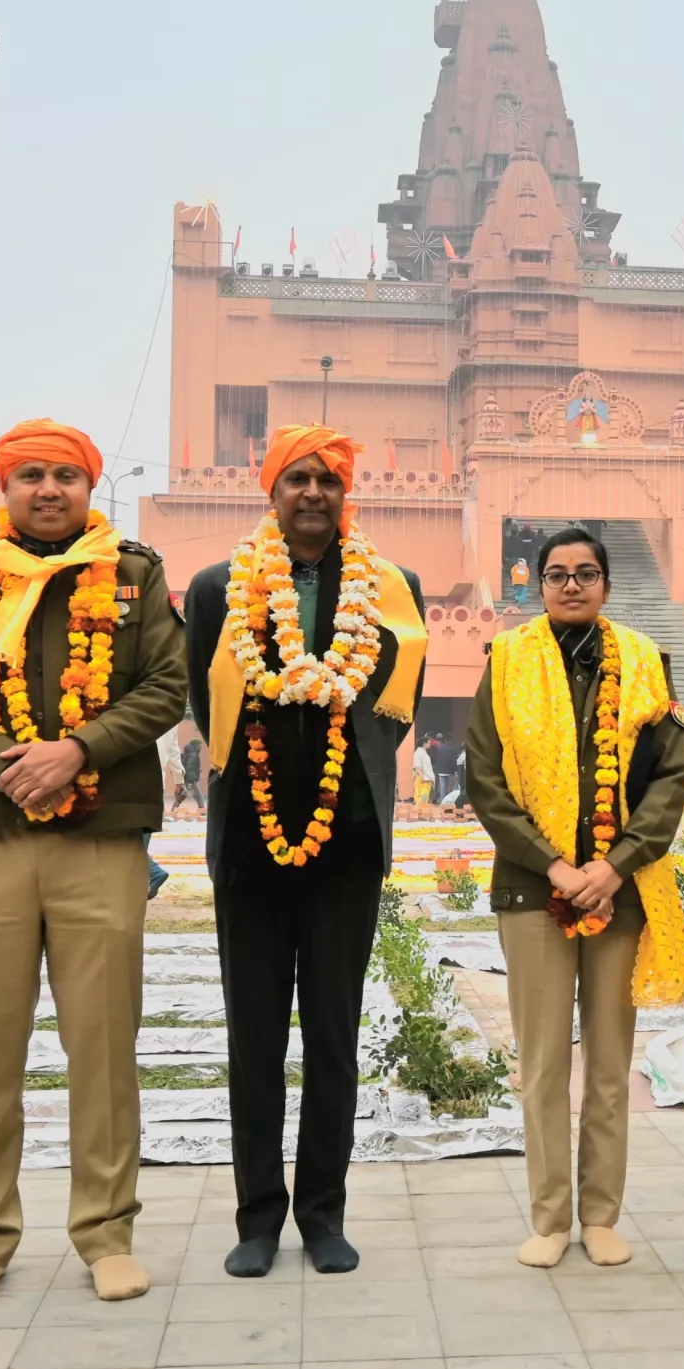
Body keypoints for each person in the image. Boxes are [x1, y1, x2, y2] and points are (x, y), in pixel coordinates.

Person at [0, 416, 189, 1309]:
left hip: (99, 839)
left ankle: (106, 1233)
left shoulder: (136, 577)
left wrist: (79, 751)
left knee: (103, 1044)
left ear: (90, 486)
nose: (49, 489)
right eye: (30, 475)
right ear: (6, 488)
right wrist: (4, 765)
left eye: (66, 474)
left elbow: (165, 685)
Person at [186, 424, 427, 1279]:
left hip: (346, 846)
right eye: (297, 480)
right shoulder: (218, 588)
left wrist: (342, 786)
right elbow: (203, 699)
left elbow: (396, 706)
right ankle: (258, 1219)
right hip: (248, 847)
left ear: (345, 491)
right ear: (271, 491)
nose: (313, 494)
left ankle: (324, 1214)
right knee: (253, 1039)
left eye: (327, 479)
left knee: (333, 1035)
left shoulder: (393, 590)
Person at [466, 528, 684, 1270]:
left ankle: (600, 1214)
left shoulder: (646, 662)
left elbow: (671, 775)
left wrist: (616, 865)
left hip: (619, 892)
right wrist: (558, 868)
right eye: (556, 574)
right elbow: (486, 782)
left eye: (585, 573)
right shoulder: (505, 662)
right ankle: (550, 1216)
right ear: (534, 585)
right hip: (534, 890)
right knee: (539, 1063)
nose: (571, 585)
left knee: (606, 1061)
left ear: (606, 584)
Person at [412, 731, 438, 810]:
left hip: (424, 777)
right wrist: (422, 776)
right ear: (424, 743)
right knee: (423, 796)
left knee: (422, 796)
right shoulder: (419, 752)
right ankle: (420, 810)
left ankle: (420, 810)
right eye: (429, 743)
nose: (430, 745)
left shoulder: (422, 752)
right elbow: (417, 766)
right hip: (423, 778)